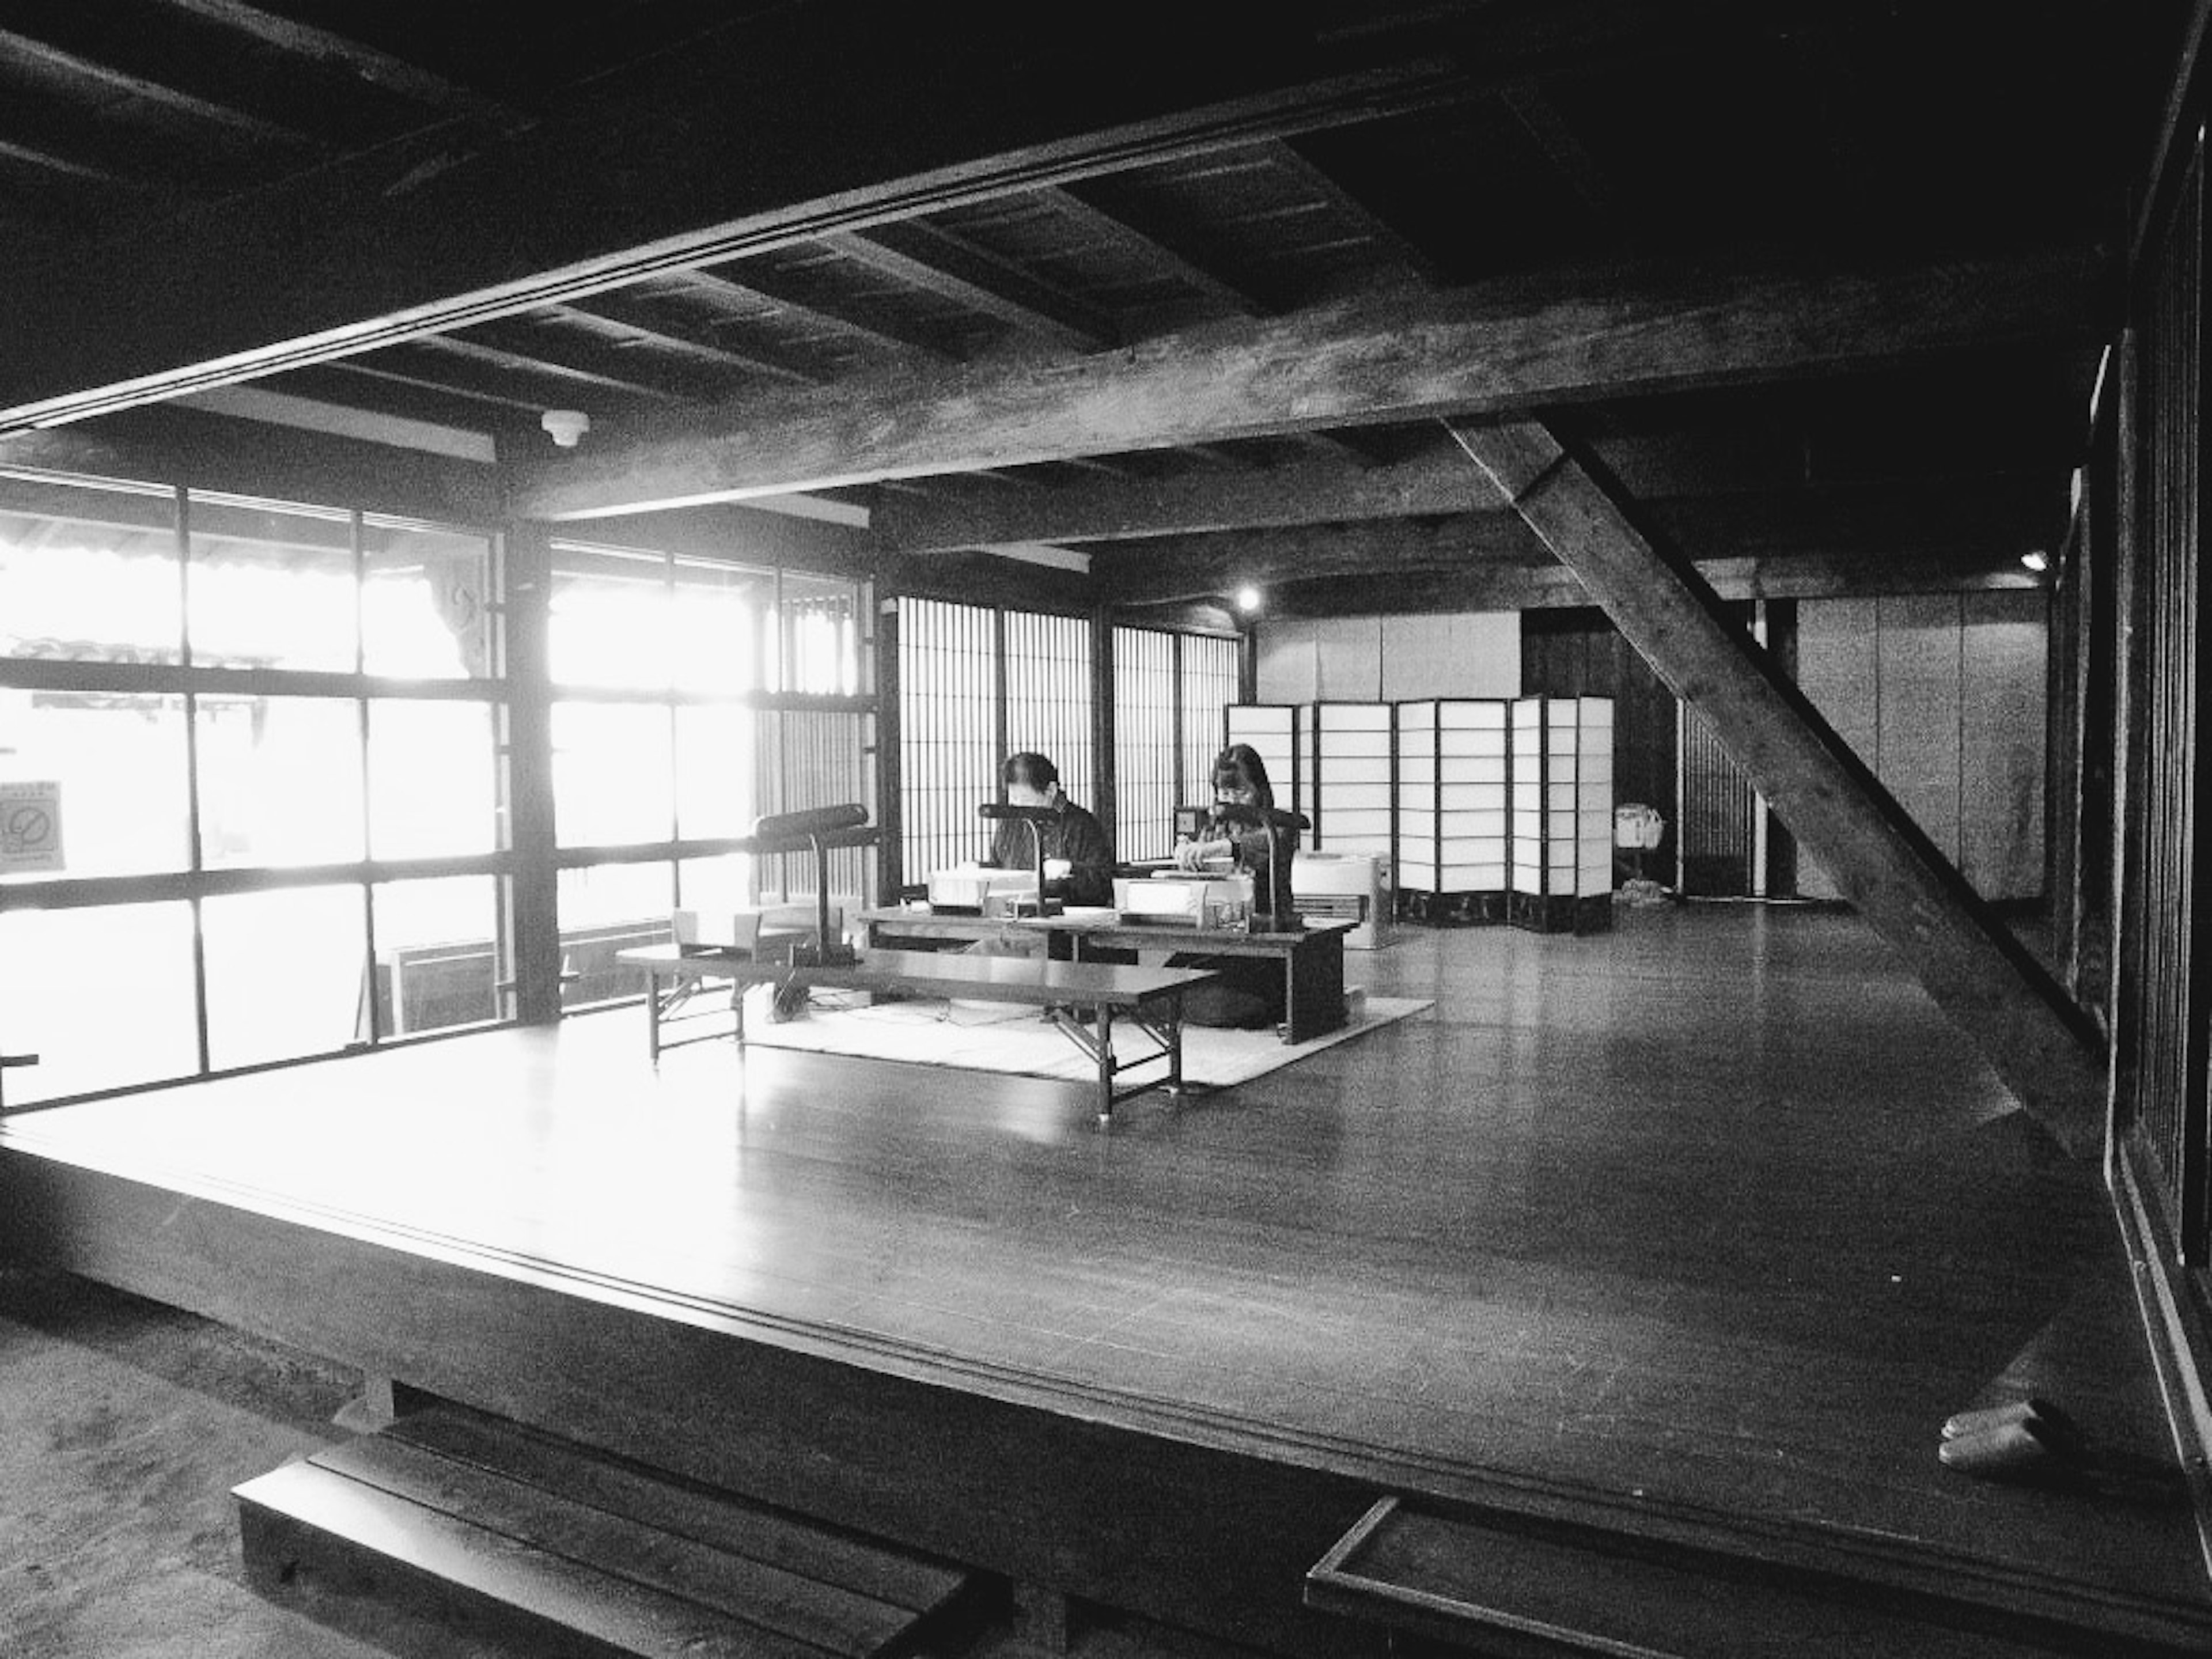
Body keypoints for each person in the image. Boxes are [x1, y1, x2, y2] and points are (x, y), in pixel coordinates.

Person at [1169, 743, 1300, 1028]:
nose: (1232, 800)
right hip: (1215, 935)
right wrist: (1189, 855)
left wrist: (1219, 848)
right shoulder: (1214, 826)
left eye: (1240, 792)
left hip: (1262, 938)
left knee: (1226, 1000)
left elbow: (1260, 846)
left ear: (1259, 789)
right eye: (1224, 792)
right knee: (1164, 983)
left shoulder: (1277, 825)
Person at [983, 752, 1113, 908]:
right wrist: (979, 869)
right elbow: (999, 868)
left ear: (1051, 790)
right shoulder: (1010, 823)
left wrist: (1071, 868)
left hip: (1067, 920)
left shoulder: (1083, 825)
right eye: (1013, 799)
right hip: (1013, 913)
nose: (1017, 806)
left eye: (1024, 799)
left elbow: (1105, 884)